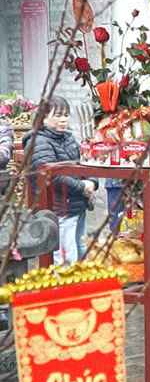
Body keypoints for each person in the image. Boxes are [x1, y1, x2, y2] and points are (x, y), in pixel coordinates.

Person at [25, 96, 96, 263]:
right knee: (65, 257)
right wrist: (82, 187)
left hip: (77, 206)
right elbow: (52, 176)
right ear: (43, 117)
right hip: (59, 209)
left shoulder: (68, 138)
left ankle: (82, 288)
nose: (63, 119)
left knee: (81, 251)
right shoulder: (38, 142)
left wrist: (92, 182)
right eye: (58, 115)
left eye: (66, 114)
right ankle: (64, 289)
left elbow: (85, 161)